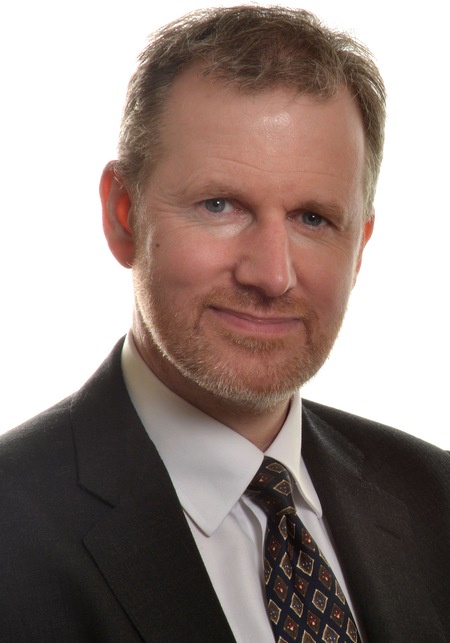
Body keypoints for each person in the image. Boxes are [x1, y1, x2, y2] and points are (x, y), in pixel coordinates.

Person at [0, 5, 448, 642]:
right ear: (124, 215)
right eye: (220, 205)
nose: (271, 274)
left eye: (313, 219)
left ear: (360, 248)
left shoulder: (436, 500)